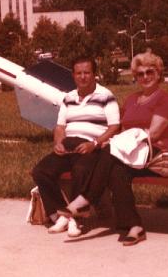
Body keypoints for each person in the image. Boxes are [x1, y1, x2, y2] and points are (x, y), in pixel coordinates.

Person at [56, 49, 168, 246]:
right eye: (140, 74)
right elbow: (122, 129)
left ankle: (85, 199)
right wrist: (115, 143)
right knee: (117, 172)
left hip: (155, 154)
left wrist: (117, 144)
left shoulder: (164, 99)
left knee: (109, 152)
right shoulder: (131, 100)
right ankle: (135, 227)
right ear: (135, 77)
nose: (145, 77)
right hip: (129, 155)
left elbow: (152, 134)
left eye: (150, 72)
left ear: (158, 74)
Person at [31, 56, 120, 237]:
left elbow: (114, 126)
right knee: (40, 171)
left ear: (95, 74)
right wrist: (58, 143)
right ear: (73, 75)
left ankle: (75, 220)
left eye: (87, 73)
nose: (83, 77)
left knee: (80, 170)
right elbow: (60, 127)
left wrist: (94, 144)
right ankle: (60, 215)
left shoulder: (106, 96)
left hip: (91, 147)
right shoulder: (68, 98)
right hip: (68, 145)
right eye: (79, 73)